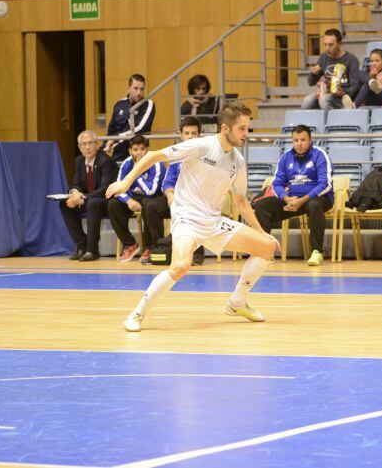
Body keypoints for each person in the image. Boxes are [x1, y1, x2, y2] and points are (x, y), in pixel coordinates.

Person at [107, 103, 280, 332]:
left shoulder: (237, 161)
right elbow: (152, 156)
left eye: (248, 128)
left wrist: (261, 232)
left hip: (213, 222)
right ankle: (138, 313)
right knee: (181, 266)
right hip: (187, 218)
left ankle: (237, 302)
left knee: (267, 247)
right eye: (242, 128)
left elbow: (241, 202)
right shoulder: (201, 146)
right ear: (226, 128)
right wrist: (125, 183)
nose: (246, 134)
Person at [253, 125, 333, 266]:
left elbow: (325, 184)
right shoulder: (286, 157)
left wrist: (302, 200)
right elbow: (277, 183)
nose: (299, 143)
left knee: (314, 205)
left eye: (303, 140)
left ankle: (316, 252)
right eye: (296, 140)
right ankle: (266, 251)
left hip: (318, 198)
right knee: (261, 205)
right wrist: (286, 198)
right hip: (292, 200)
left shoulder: (320, 155)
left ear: (310, 140)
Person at [141, 117, 206, 266]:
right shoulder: (175, 155)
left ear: (199, 134)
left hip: (197, 199)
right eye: (187, 133)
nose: (190, 136)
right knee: (151, 207)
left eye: (194, 133)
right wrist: (170, 195)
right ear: (181, 135)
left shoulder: (205, 155)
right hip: (176, 198)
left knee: (197, 208)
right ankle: (158, 248)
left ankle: (196, 253)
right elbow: (169, 181)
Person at [59, 130, 118, 262]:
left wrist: (82, 197)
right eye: (83, 144)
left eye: (90, 143)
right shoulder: (80, 161)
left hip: (107, 201)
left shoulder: (106, 161)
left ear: (97, 145)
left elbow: (105, 189)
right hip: (90, 199)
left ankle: (92, 250)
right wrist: (75, 193)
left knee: (93, 203)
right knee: (65, 204)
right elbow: (76, 183)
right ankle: (81, 245)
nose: (87, 147)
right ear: (79, 148)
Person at [107, 135, 164, 263]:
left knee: (148, 204)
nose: (139, 153)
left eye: (142, 149)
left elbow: (151, 191)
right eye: (135, 149)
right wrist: (128, 200)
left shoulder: (157, 164)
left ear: (148, 150)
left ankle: (150, 247)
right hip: (133, 199)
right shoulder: (126, 164)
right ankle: (130, 244)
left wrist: (137, 171)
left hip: (152, 198)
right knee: (113, 204)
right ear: (130, 151)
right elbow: (118, 187)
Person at [302, 29, 361, 110]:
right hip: (328, 93)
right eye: (325, 45)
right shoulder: (323, 57)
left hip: (343, 96)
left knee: (324, 100)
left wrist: (343, 93)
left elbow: (355, 86)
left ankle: (332, 122)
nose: (327, 48)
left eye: (330, 45)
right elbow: (310, 82)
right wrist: (313, 74)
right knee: (307, 101)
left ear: (339, 44)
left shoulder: (351, 59)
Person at [104, 74, 155, 163]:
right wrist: (106, 144)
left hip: (139, 154)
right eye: (135, 88)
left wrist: (115, 139)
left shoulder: (149, 104)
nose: (139, 92)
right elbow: (111, 128)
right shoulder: (119, 104)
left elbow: (139, 128)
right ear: (128, 88)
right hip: (119, 154)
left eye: (142, 89)